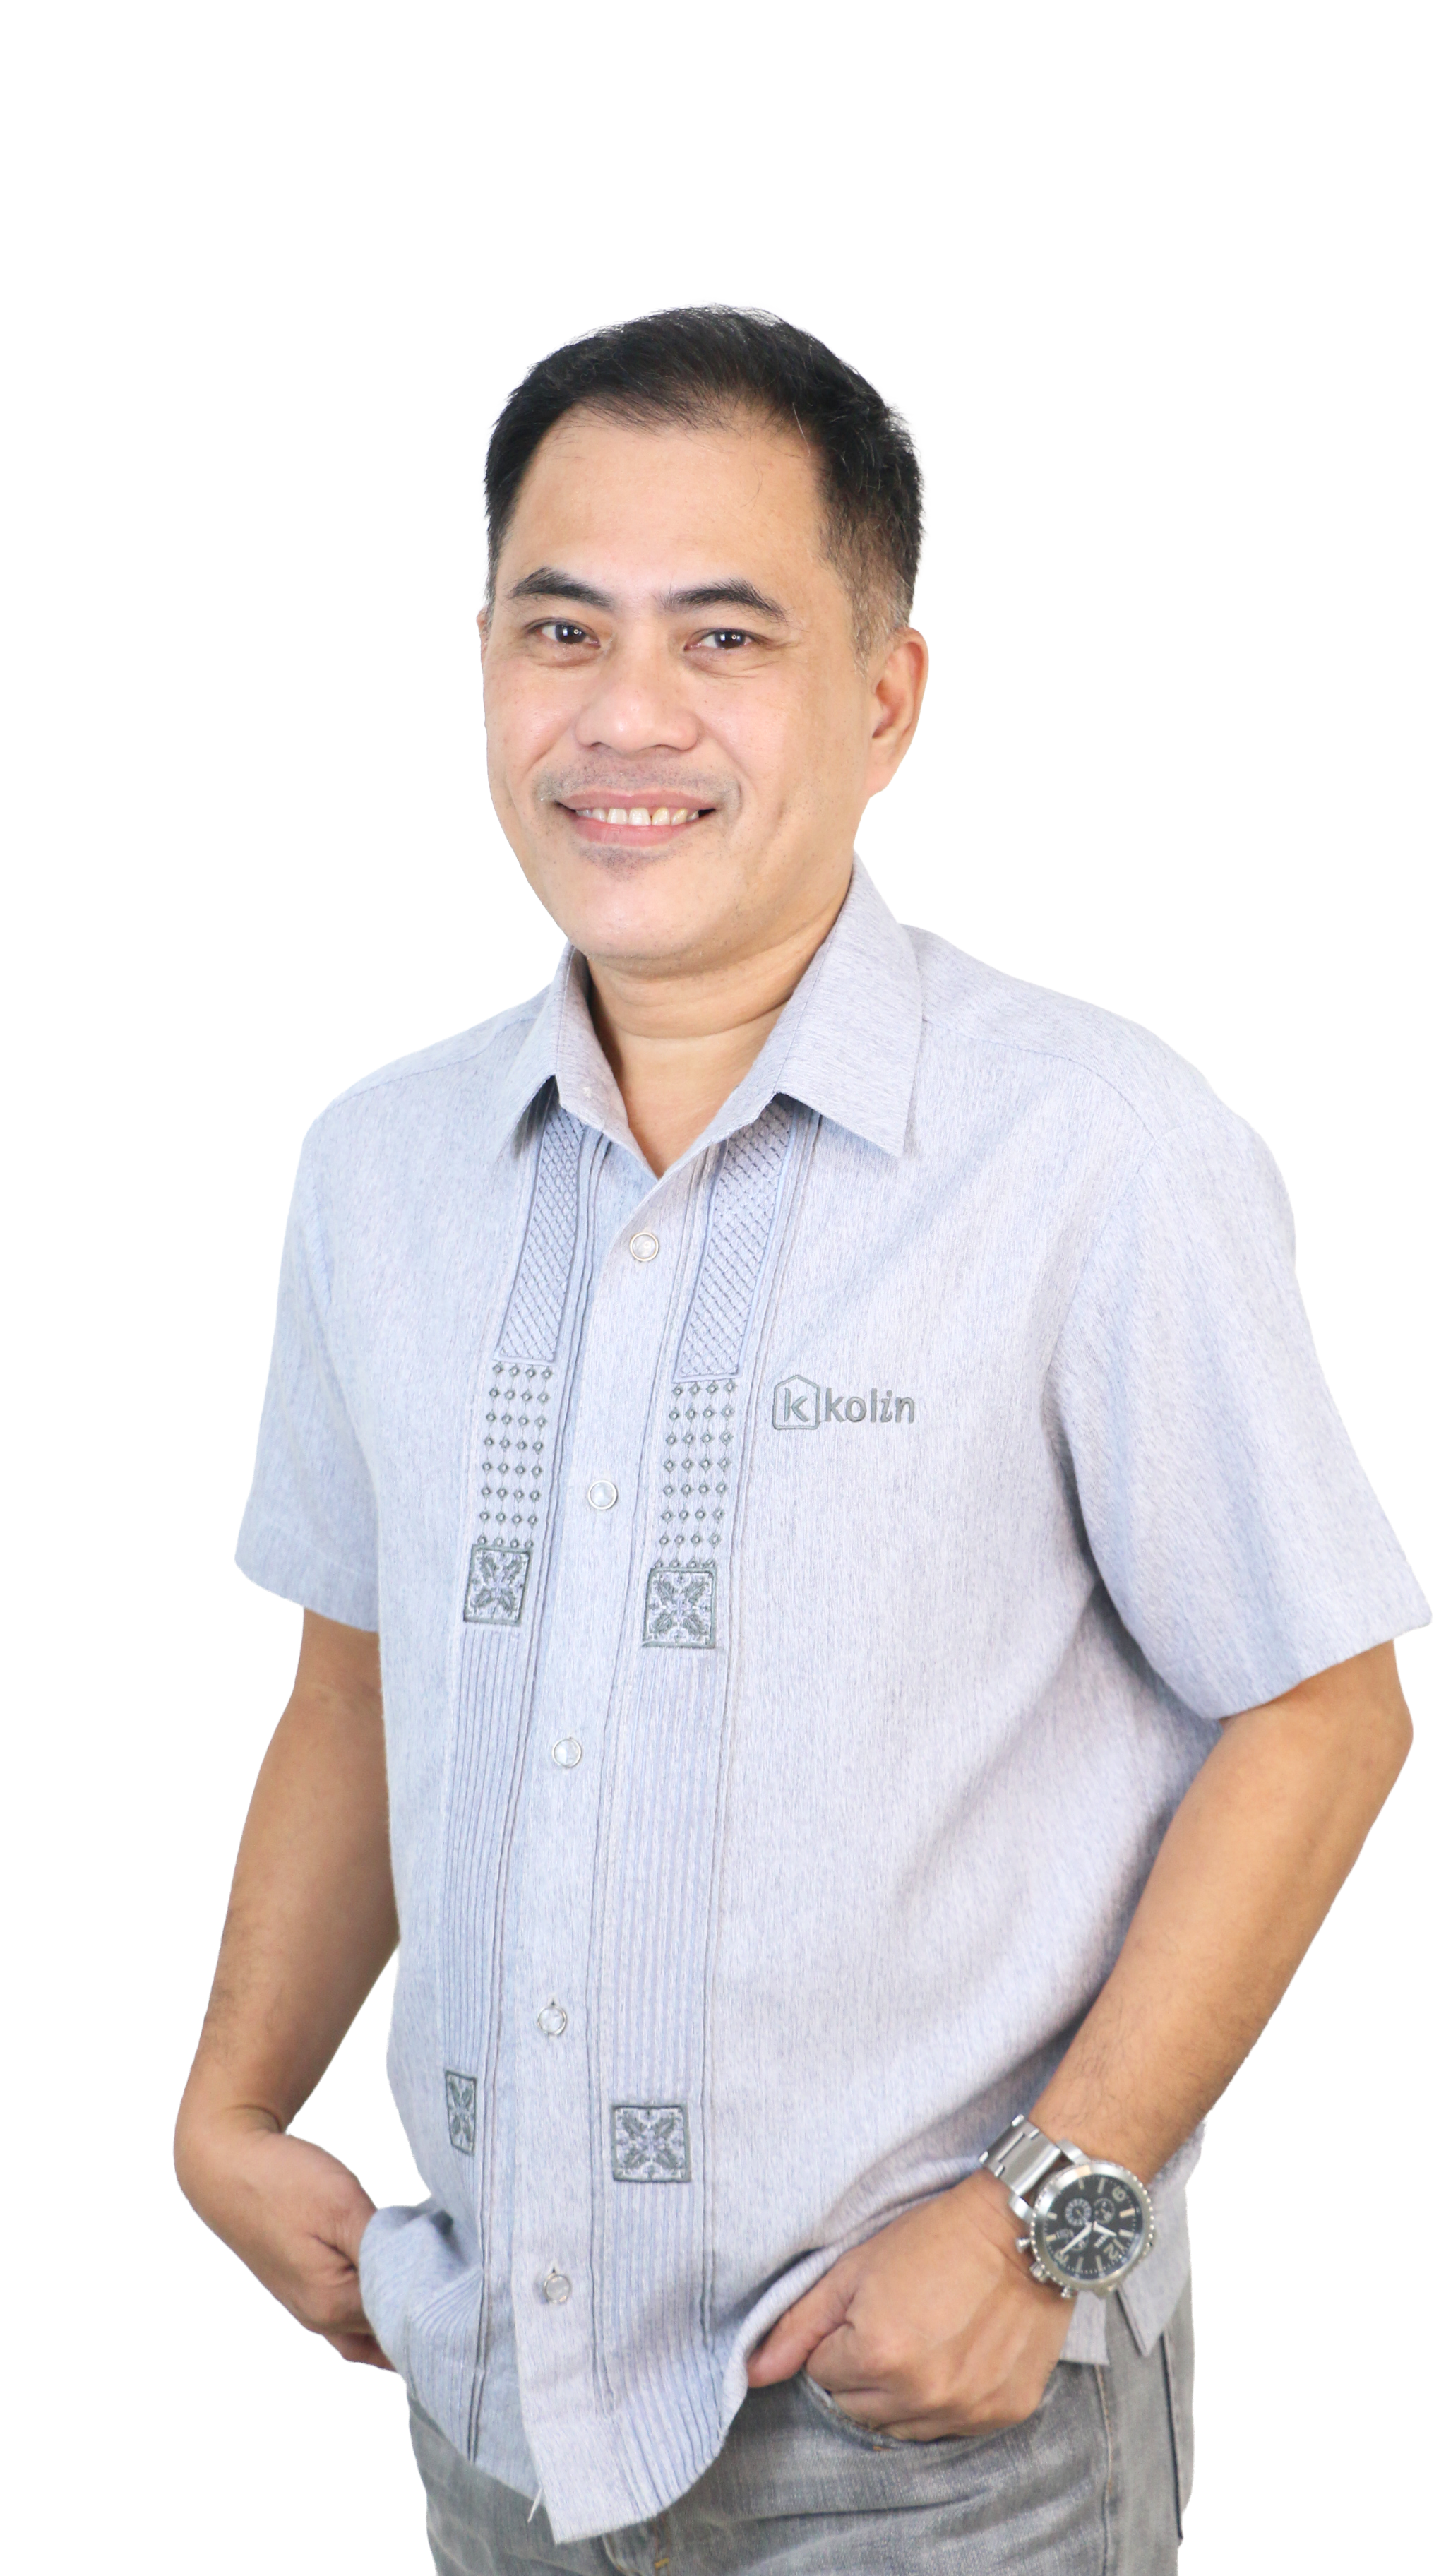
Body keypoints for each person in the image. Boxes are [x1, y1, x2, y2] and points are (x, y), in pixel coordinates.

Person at [174, 306, 1427, 2575]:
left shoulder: (1087, 1157)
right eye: (562, 629)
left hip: (935, 2440)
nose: (625, 716)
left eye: (724, 637)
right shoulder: (383, 1179)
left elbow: (1324, 1710)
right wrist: (230, 2104)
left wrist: (1046, 2221)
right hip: (493, 2406)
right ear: (487, 664)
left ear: (883, 699)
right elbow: (362, 1682)